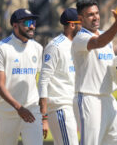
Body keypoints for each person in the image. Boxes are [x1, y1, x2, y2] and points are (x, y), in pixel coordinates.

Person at [71, 0, 117, 145]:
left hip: (108, 97)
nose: (95, 17)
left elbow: (111, 64)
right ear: (80, 19)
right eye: (90, 15)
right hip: (88, 97)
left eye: (96, 13)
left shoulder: (106, 36)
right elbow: (98, 42)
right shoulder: (80, 38)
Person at [0, 8, 45, 145]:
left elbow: (35, 81)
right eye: (27, 22)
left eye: (33, 22)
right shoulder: (1, 48)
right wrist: (19, 108)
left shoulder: (37, 48)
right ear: (15, 25)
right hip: (6, 113)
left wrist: (43, 117)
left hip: (32, 111)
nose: (32, 26)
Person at [38, 8, 81, 145]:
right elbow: (43, 80)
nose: (85, 27)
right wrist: (44, 117)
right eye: (82, 23)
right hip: (60, 107)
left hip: (73, 106)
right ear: (72, 25)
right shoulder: (55, 46)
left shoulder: (78, 45)